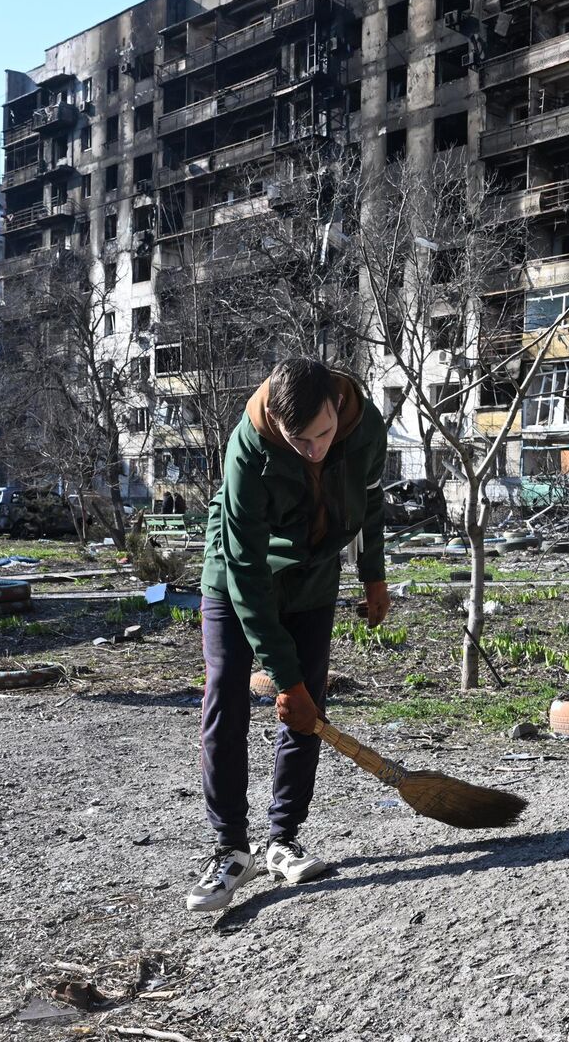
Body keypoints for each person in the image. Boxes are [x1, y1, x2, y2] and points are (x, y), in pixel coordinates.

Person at [188, 358, 388, 912]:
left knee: (309, 705)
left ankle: (281, 839)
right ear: (276, 422)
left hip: (315, 574)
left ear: (337, 407)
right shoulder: (247, 448)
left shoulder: (365, 423)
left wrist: (373, 573)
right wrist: (282, 676)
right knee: (226, 693)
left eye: (324, 434)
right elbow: (246, 573)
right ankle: (229, 848)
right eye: (299, 441)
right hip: (236, 576)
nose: (315, 449)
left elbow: (370, 497)